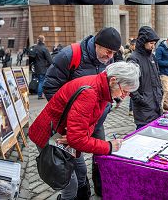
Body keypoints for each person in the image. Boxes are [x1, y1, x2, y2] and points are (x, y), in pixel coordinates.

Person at [29, 62, 139, 200]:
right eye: (124, 91)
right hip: (49, 136)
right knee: (69, 184)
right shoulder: (91, 92)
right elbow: (77, 139)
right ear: (113, 80)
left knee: (81, 170)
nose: (125, 96)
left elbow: (91, 123)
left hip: (64, 136)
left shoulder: (104, 89)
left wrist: (79, 136)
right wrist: (109, 146)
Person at [43, 27, 121, 197]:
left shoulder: (107, 59)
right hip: (74, 123)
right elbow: (50, 88)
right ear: (97, 45)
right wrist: (74, 119)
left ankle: (100, 187)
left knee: (100, 153)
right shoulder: (69, 55)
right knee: (75, 159)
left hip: (96, 120)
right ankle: (80, 190)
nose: (110, 57)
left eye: (113, 53)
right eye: (108, 51)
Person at [128, 26, 162, 130]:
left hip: (156, 105)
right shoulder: (133, 58)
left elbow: (157, 77)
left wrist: (160, 92)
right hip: (143, 110)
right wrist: (142, 100)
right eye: (151, 43)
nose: (153, 46)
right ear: (143, 41)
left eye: (154, 44)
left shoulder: (152, 57)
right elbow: (129, 84)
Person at [31, 35, 53, 100]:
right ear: (43, 40)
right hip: (43, 67)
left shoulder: (35, 48)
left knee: (40, 80)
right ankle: (40, 95)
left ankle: (41, 93)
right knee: (42, 81)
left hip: (36, 67)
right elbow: (50, 59)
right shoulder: (44, 48)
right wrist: (49, 65)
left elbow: (32, 57)